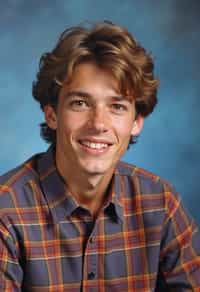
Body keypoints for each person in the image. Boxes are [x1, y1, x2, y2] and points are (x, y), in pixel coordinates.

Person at [0, 21, 200, 291]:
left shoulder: (161, 203)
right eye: (80, 103)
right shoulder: (6, 211)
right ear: (52, 114)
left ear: (136, 121)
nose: (98, 124)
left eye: (117, 106)